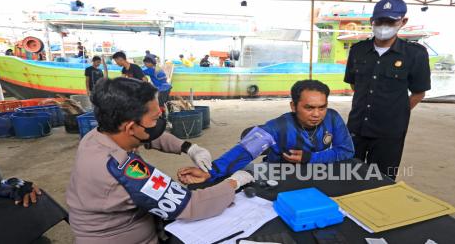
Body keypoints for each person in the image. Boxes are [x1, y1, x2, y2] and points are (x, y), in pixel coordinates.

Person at [66, 77, 254, 243]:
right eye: (156, 118)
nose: (160, 123)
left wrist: (189, 147)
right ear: (130, 127)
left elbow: (149, 134)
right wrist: (235, 181)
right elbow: (192, 205)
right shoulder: (123, 170)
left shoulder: (101, 133)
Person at [179, 80, 355, 184]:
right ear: (293, 106)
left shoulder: (332, 117)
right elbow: (245, 150)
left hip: (317, 173)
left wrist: (310, 158)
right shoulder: (277, 127)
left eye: (322, 107)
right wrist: (211, 172)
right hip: (278, 175)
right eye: (309, 108)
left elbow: (346, 150)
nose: (317, 114)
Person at [343, 0, 431, 180]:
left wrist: (395, 112)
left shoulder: (415, 54)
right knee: (346, 177)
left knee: (382, 181)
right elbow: (354, 84)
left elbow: (419, 92)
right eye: (379, 20)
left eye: (390, 21)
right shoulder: (357, 50)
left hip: (389, 133)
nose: (384, 25)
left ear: (402, 21)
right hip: (356, 128)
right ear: (372, 21)